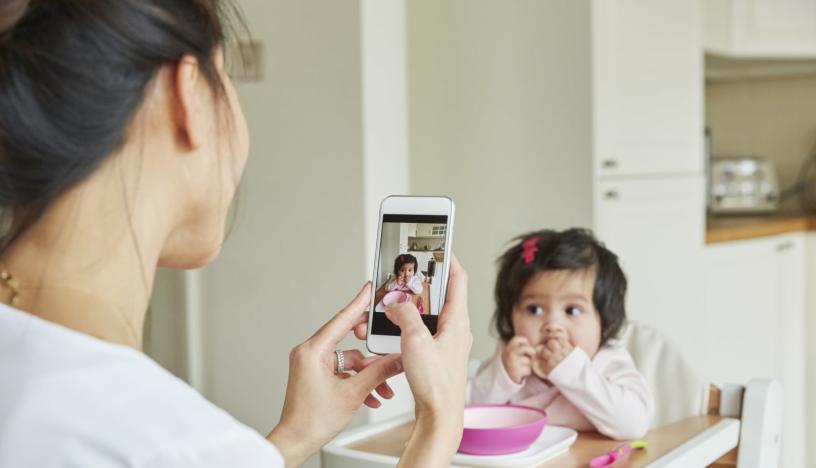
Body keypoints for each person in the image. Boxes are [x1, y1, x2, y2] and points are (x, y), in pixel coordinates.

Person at [0, 1, 472, 467]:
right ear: (188, 97)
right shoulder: (169, 443)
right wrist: (439, 421)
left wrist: (291, 439)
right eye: (230, 81)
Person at [467, 229, 653, 440]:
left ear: (605, 322)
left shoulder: (607, 361)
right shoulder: (509, 361)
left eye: (572, 310)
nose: (553, 325)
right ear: (511, 316)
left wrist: (571, 371)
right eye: (534, 309)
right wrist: (502, 378)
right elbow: (462, 416)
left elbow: (634, 424)